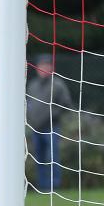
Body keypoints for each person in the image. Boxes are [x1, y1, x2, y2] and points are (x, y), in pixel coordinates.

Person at [26, 54, 72, 192]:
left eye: (47, 65)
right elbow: (28, 104)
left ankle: (54, 186)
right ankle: (42, 186)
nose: (44, 68)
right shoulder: (32, 85)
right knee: (39, 158)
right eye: (41, 65)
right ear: (37, 68)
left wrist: (52, 114)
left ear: (51, 68)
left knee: (52, 157)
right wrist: (31, 119)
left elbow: (67, 105)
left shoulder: (58, 84)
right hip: (36, 129)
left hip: (52, 128)